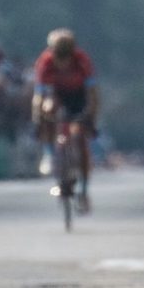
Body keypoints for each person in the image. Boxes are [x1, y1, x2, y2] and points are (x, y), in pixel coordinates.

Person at [32, 28, 100, 212]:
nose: (61, 61)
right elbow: (38, 96)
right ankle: (49, 154)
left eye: (66, 56)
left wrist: (91, 118)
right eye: (57, 56)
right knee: (47, 110)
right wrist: (38, 119)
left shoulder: (82, 61)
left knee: (79, 136)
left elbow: (93, 95)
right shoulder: (45, 62)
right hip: (56, 96)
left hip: (78, 97)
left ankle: (84, 189)